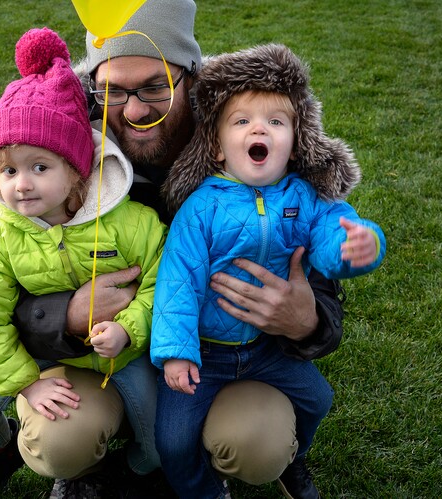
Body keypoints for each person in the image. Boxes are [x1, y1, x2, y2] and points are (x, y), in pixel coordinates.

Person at [0, 1, 347, 498]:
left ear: (191, 75)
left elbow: (316, 263)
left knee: (256, 441)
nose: (136, 109)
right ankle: (80, 472)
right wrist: (65, 315)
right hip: (97, 355)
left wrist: (309, 320)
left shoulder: (248, 135)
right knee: (64, 437)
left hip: (220, 356)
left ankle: (277, 450)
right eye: (114, 90)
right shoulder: (59, 136)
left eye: (156, 86)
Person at [150, 44, 386, 499]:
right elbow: (178, 281)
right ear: (217, 148)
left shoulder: (304, 198)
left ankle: (293, 460)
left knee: (318, 399)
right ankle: (204, 492)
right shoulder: (201, 208)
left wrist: (359, 245)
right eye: (242, 121)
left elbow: (331, 237)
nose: (260, 127)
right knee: (173, 440)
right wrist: (177, 352)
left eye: (276, 122)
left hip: (264, 348)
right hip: (204, 354)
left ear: (295, 142)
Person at [0, 27, 167, 499]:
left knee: (156, 431)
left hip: (118, 353)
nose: (22, 185)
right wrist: (26, 383)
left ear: (77, 169)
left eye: (40, 167)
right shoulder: (0, 233)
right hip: (35, 352)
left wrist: (129, 327)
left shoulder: (128, 222)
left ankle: (138, 465)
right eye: (8, 170)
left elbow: (159, 278)